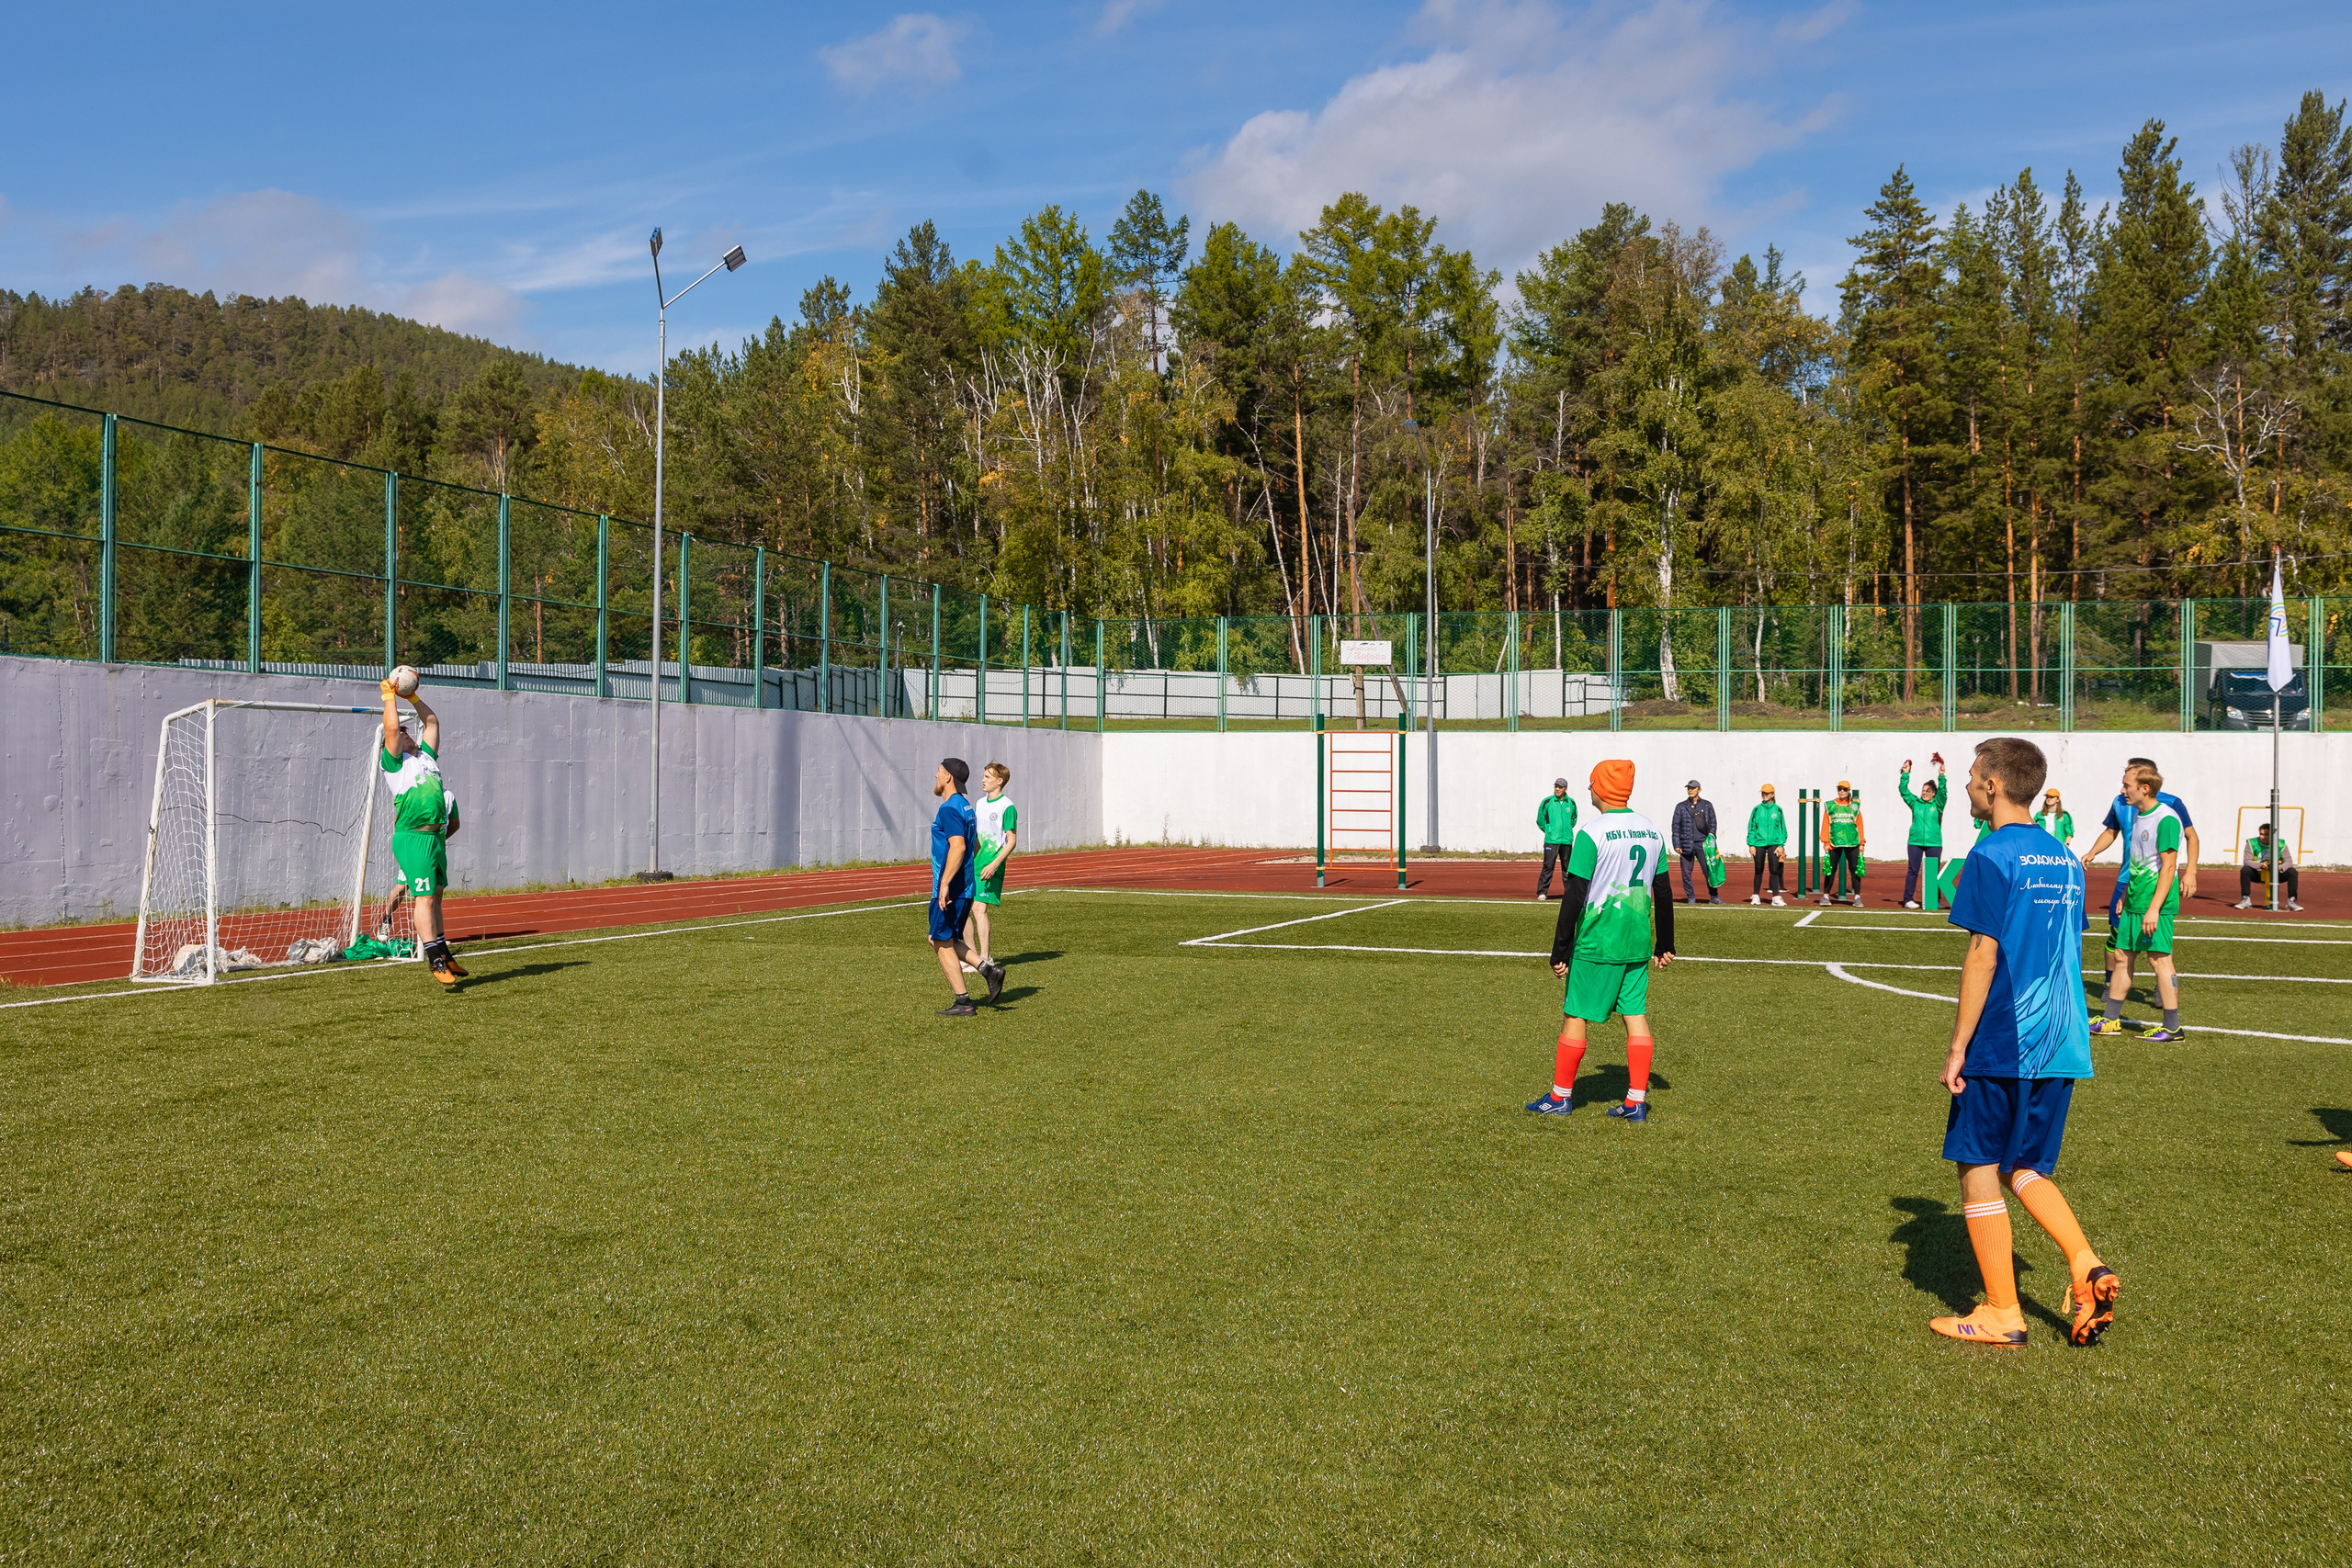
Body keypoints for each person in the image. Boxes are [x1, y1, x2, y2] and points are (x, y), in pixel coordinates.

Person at [1930, 735, 2120, 1348]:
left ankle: (2003, 1311)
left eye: (1971, 775)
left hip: (2006, 1036)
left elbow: (1984, 952)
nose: (1965, 785)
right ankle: (2085, 1262)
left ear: (1993, 783)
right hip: (2062, 1038)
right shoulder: (2065, 858)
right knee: (2026, 1166)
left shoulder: (1991, 853)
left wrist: (1959, 1044)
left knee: (1978, 1164)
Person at [1526, 759, 1675, 1121]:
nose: (1588, 790)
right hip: (1637, 941)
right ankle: (1636, 1101)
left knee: (1576, 1013)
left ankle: (1561, 1097)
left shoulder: (1591, 834)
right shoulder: (1651, 831)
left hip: (1598, 941)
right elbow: (1664, 890)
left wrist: (1560, 949)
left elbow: (1575, 895)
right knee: (1636, 1015)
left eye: (1591, 785)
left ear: (1602, 789)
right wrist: (1665, 943)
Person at [379, 679, 465, 988]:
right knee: (425, 899)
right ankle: (433, 959)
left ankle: (443, 949)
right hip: (413, 837)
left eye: (405, 729)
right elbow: (390, 730)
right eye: (400, 731)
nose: (403, 732)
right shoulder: (394, 765)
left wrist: (412, 696)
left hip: (434, 839)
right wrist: (390, 696)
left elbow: (431, 721)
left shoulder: (426, 758)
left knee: (437, 896)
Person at [2096, 761, 2185, 1042]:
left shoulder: (2166, 818)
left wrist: (2154, 909)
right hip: (2134, 901)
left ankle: (2172, 1027)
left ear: (2144, 788)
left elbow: (2169, 868)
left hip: (2153, 904)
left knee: (2159, 960)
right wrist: (2124, 895)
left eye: (2127, 785)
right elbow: (2137, 859)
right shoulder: (2137, 816)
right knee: (2122, 957)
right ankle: (2111, 1019)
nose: (2122, 790)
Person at [927, 758, 1002, 1015]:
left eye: (938, 771)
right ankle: (988, 970)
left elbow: (959, 846)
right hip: (965, 887)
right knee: (944, 938)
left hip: (952, 888)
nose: (935, 775)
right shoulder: (966, 807)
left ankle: (964, 1002)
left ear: (948, 777)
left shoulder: (949, 808)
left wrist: (945, 883)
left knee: (939, 940)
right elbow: (976, 845)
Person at [2083, 757, 2200, 919]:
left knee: (2149, 935)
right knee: (2119, 933)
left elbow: (2192, 837)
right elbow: (2111, 831)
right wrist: (2092, 852)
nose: (2124, 785)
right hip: (2128, 876)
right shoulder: (2120, 801)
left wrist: (2191, 873)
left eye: (2132, 773)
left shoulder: (2170, 804)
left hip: (2154, 879)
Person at [963, 762, 1020, 964]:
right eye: (984, 775)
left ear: (999, 780)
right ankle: (972, 957)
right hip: (976, 864)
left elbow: (1011, 841)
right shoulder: (979, 803)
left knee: (979, 908)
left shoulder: (1007, 806)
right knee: (964, 907)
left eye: (988, 777)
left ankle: (986, 958)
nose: (983, 780)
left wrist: (994, 864)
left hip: (991, 866)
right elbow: (977, 837)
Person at [1897, 755, 1949, 908]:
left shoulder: (1938, 803)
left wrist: (1941, 777)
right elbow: (1904, 791)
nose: (1924, 793)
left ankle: (1935, 900)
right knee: (1913, 870)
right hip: (1915, 841)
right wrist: (1905, 774)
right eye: (1923, 790)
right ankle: (1908, 899)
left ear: (1933, 793)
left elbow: (1943, 792)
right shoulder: (1915, 803)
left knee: (1934, 872)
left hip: (1934, 842)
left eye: (1927, 791)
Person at [1670, 779, 1723, 905]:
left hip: (1703, 845)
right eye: (1688, 788)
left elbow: (1713, 823)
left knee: (1709, 871)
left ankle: (1714, 896)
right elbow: (1675, 826)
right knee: (1686, 873)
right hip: (1686, 844)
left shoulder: (1707, 805)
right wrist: (1677, 844)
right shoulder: (1681, 806)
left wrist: (1711, 837)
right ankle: (1691, 897)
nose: (1690, 790)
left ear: (1699, 789)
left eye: (1693, 788)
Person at [1819, 781, 1867, 906]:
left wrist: (1862, 842)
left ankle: (1857, 897)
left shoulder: (1855, 806)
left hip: (1853, 842)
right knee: (1831, 869)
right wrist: (1825, 841)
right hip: (1835, 842)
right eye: (1840, 789)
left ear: (1848, 791)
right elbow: (1826, 824)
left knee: (1855, 869)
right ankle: (1826, 896)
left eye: (1844, 789)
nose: (1842, 791)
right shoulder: (1830, 805)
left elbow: (1860, 824)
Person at [2238, 822, 2301, 910]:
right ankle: (2246, 899)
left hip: (2276, 873)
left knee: (2292, 872)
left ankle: (2291, 900)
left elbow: (2288, 861)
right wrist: (2260, 865)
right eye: (2261, 834)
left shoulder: (2281, 844)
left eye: (2266, 834)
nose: (2263, 837)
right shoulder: (2252, 843)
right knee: (2245, 870)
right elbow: (2247, 861)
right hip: (2258, 873)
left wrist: (2280, 867)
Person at [1535, 776, 1578, 901]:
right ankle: (1542, 892)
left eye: (1560, 787)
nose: (1557, 789)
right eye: (1556, 786)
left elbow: (1573, 819)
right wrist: (1549, 831)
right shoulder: (1547, 802)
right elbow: (1540, 820)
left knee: (1568, 868)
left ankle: (1569, 892)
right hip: (1551, 840)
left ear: (1565, 788)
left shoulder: (1571, 803)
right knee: (1548, 867)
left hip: (1566, 841)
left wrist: (1567, 831)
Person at [1746, 784, 1787, 906]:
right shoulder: (1757, 809)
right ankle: (1756, 895)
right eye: (1763, 793)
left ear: (1772, 795)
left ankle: (1776, 897)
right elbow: (1752, 827)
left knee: (1774, 870)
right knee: (1758, 869)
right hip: (1759, 842)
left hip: (1774, 843)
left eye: (1767, 793)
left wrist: (1781, 844)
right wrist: (1751, 844)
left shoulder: (1778, 810)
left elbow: (1782, 828)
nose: (1764, 795)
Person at [2038, 790, 2075, 854]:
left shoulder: (2064, 815)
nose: (2049, 799)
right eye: (2047, 797)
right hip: (2042, 846)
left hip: (2058, 847)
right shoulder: (2039, 815)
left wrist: (2067, 844)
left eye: (2052, 797)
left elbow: (2069, 831)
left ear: (2057, 800)